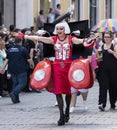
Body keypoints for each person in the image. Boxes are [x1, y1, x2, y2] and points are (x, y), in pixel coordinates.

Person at [20, 21, 91, 126]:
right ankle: (61, 115)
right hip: (57, 67)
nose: (59, 31)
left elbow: (81, 41)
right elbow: (39, 38)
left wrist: (88, 40)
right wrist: (25, 36)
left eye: (61, 29)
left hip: (68, 67)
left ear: (65, 29)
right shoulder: (53, 39)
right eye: (57, 29)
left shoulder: (71, 39)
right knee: (58, 91)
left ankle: (67, 110)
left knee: (67, 91)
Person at [1, 36, 34, 103]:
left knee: (15, 83)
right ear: (20, 42)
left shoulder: (10, 49)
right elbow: (29, 59)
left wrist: (3, 68)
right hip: (21, 69)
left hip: (12, 69)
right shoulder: (23, 49)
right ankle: (14, 93)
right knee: (22, 83)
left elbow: (7, 60)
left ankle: (16, 99)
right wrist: (32, 64)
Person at [97, 31, 117, 111]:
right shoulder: (101, 46)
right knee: (103, 87)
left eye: (108, 37)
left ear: (111, 38)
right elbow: (99, 59)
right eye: (105, 37)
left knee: (113, 86)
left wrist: (112, 52)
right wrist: (97, 57)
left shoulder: (114, 46)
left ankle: (112, 103)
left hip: (113, 70)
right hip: (103, 70)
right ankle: (102, 103)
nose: (106, 38)